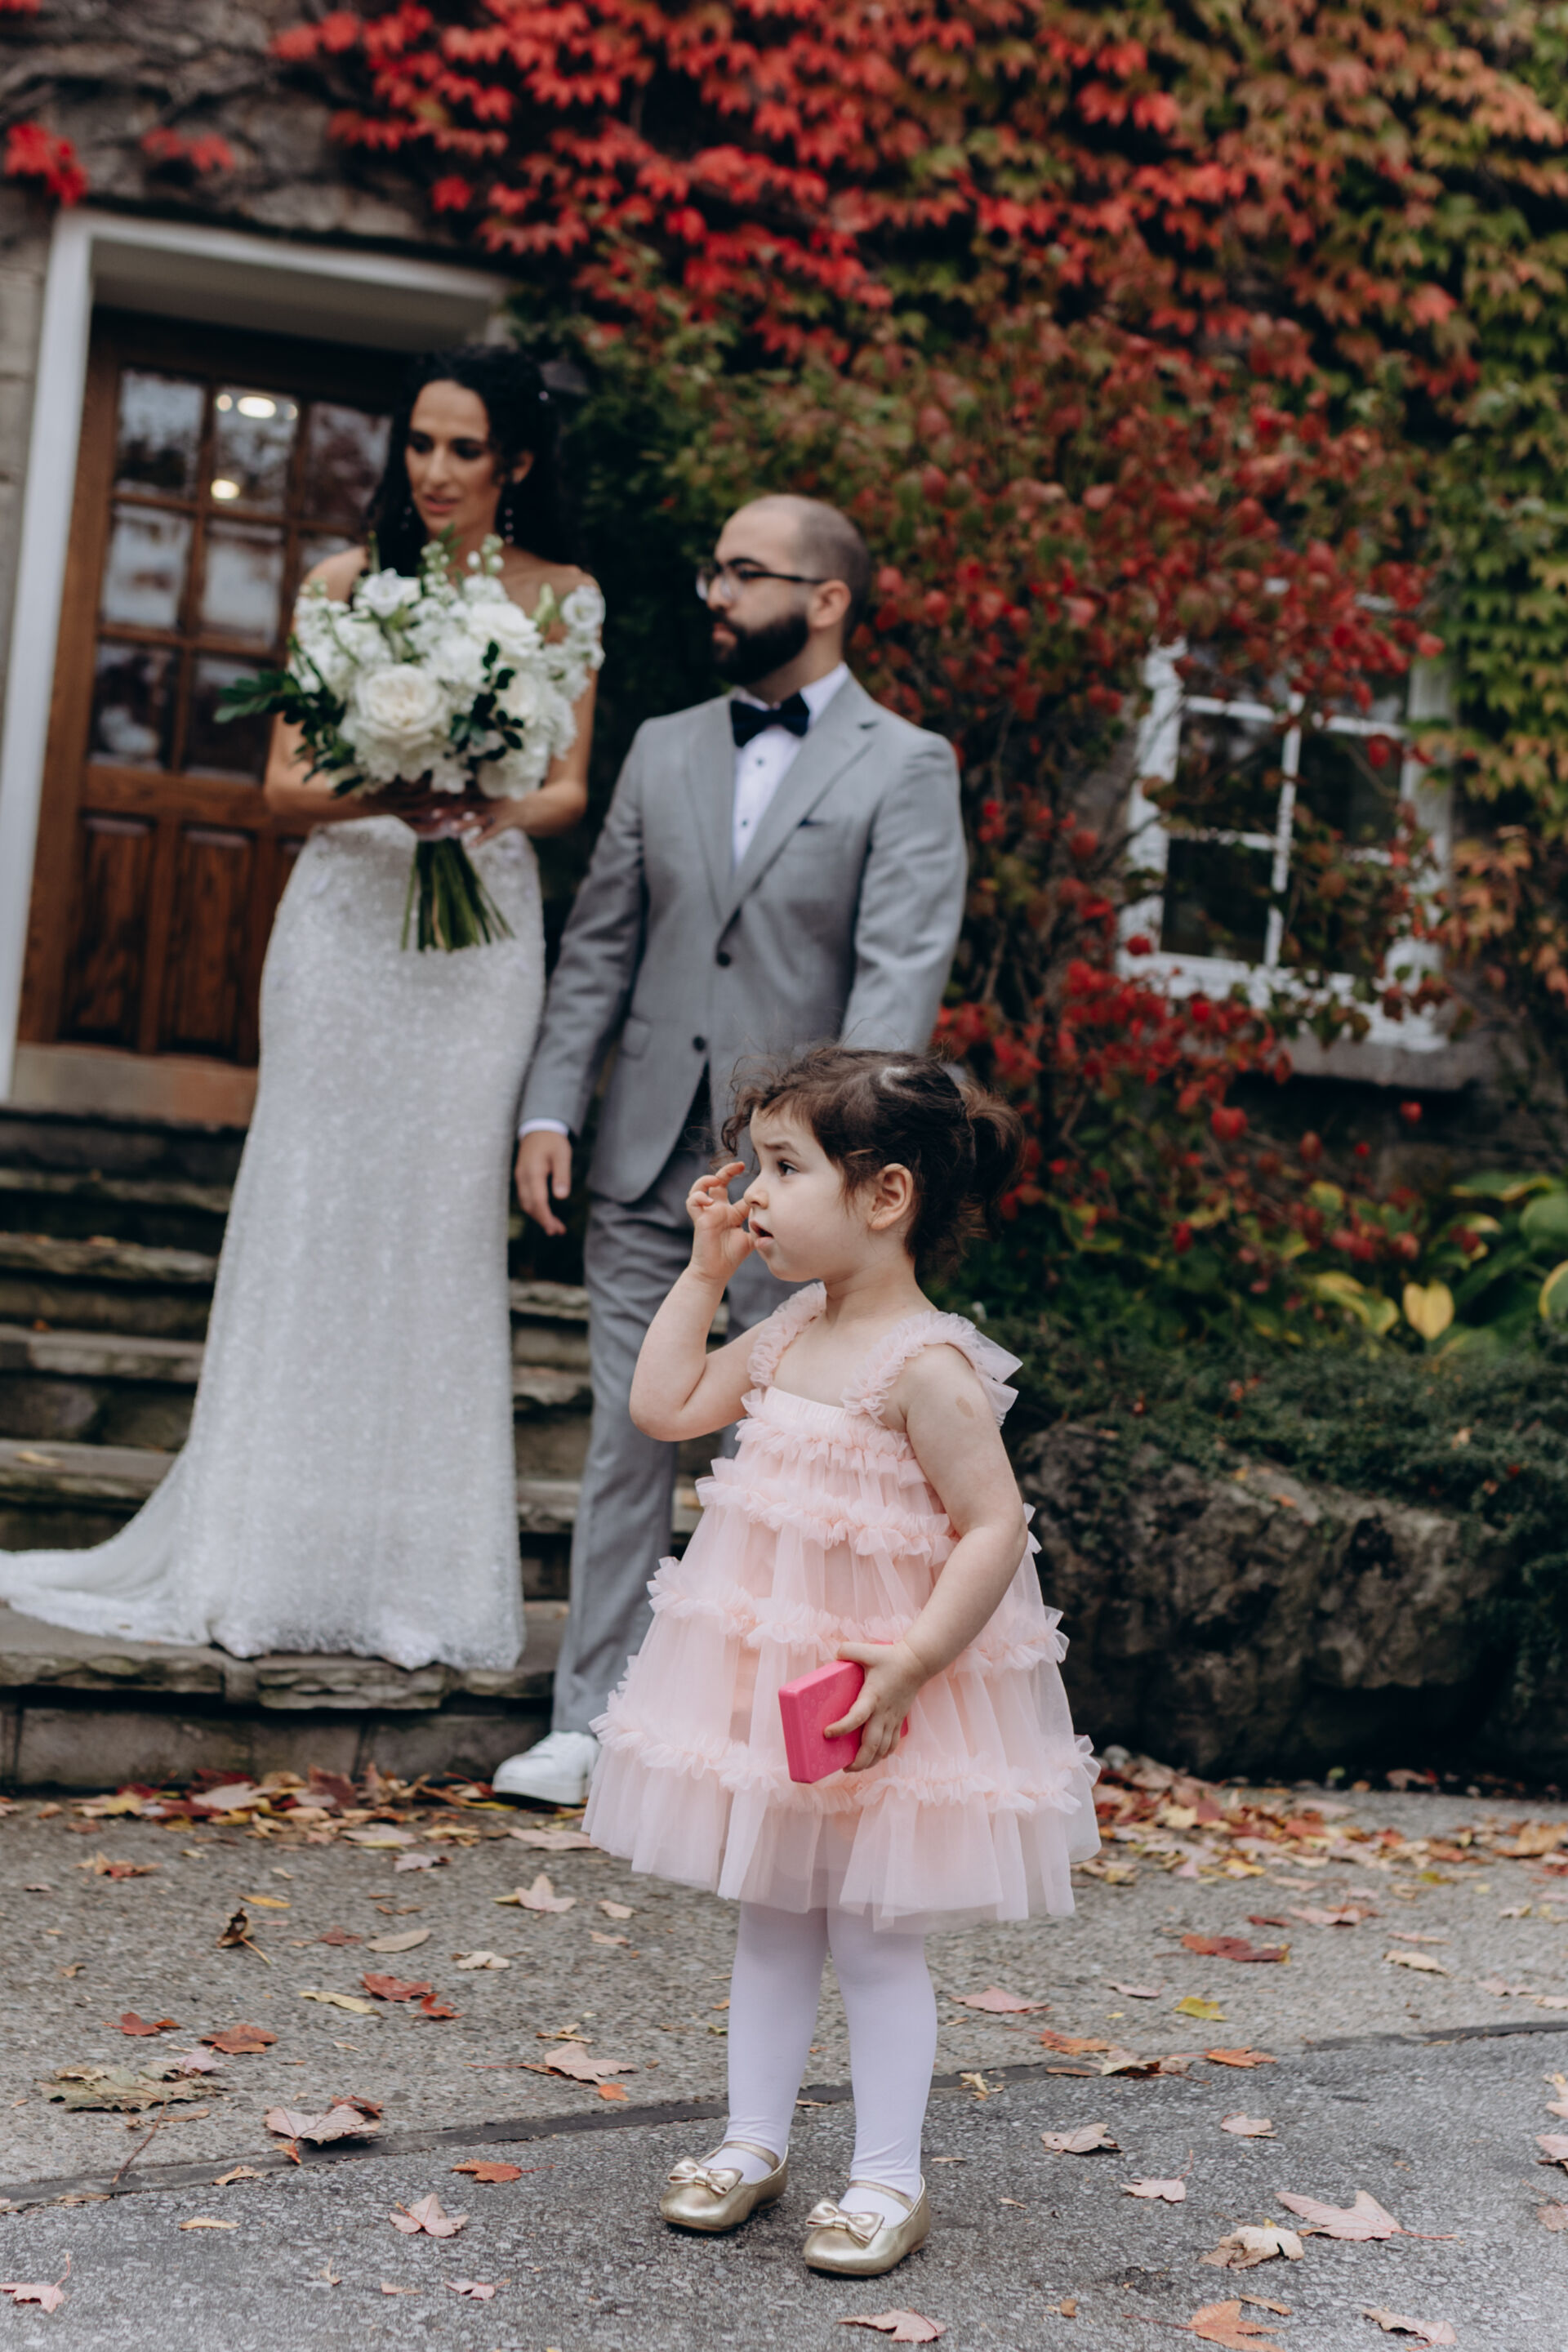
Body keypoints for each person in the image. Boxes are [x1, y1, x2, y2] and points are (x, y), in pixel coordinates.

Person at [0, 346, 600, 1668]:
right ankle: (264, 1558)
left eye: (462, 448)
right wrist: (393, 784)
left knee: (440, 1223)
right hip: (345, 923)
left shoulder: (564, 598)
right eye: (419, 443)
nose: (433, 470)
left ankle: (411, 1575)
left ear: (515, 461)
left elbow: (567, 784)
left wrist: (483, 798)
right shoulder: (341, 585)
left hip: (480, 933)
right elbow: (282, 784)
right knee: (313, 1201)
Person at [585, 1046, 1099, 2274]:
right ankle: (752, 2142)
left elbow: (995, 1527)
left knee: (871, 1937)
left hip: (880, 1690)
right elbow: (664, 1406)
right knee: (773, 1920)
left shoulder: (925, 1367)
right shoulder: (791, 1329)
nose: (753, 1193)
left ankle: (886, 2178)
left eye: (783, 1168)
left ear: (885, 1196)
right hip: (777, 1689)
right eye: (755, 1165)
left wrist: (914, 1660)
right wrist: (702, 1276)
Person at [492, 493, 968, 1806]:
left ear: (826, 599)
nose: (718, 592)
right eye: (715, 569)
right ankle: (590, 1721)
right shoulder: (662, 747)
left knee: (790, 1468)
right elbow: (603, 943)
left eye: (747, 573)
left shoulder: (907, 765)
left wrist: (837, 1177)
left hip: (810, 1194)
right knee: (626, 1437)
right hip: (647, 1161)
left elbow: (894, 994)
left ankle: (751, 1731)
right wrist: (550, 1108)